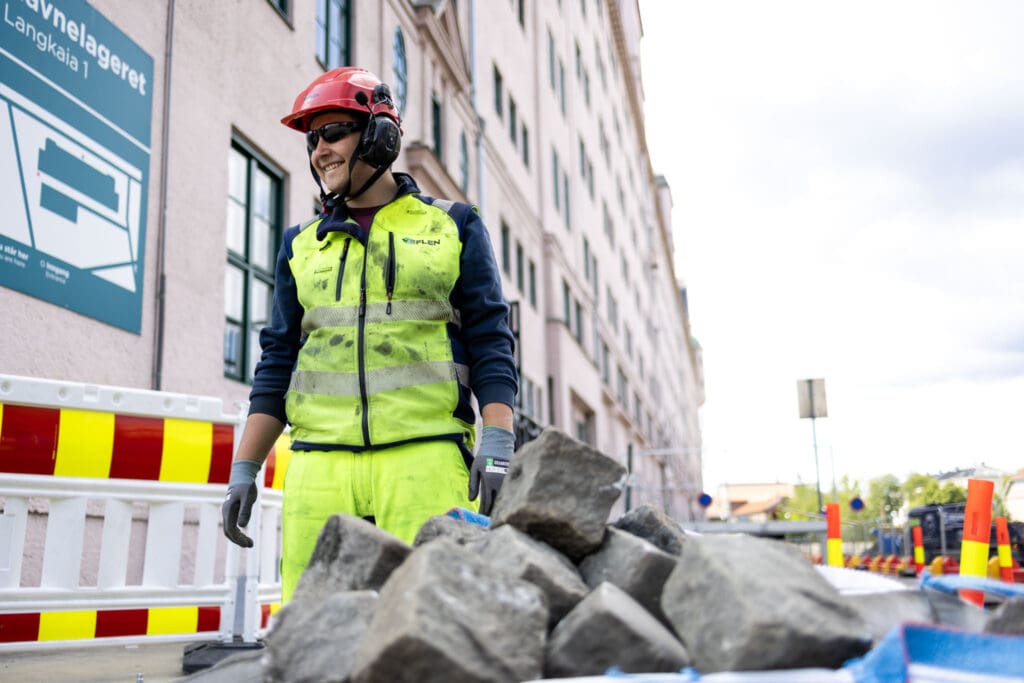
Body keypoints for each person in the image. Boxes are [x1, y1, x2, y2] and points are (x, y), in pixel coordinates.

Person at [221, 67, 518, 602]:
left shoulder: (453, 225)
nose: (319, 151)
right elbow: (277, 362)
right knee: (310, 636)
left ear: (380, 135)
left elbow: (491, 339)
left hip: (425, 461)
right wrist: (245, 467)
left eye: (332, 131)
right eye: (312, 139)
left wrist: (497, 443)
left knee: (434, 628)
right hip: (318, 467)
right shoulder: (301, 245)